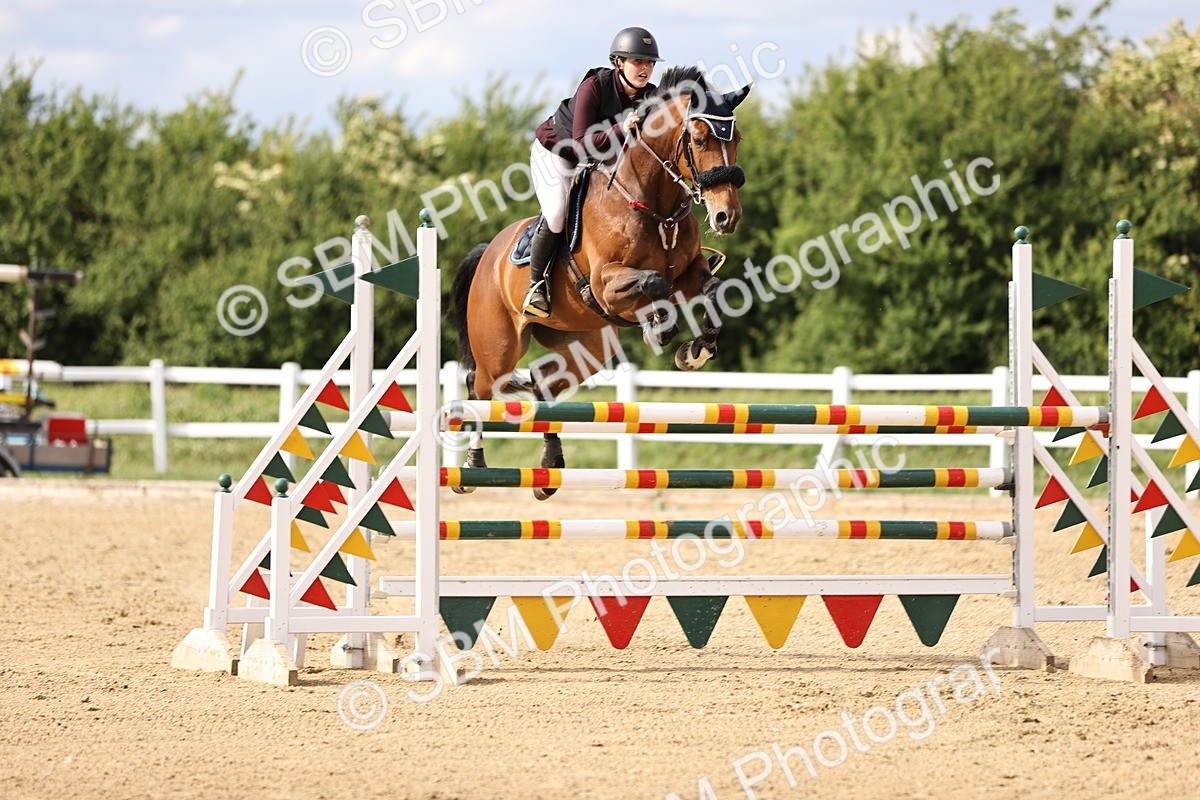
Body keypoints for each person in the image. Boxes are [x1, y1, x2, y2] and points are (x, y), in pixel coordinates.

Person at [522, 26, 662, 318]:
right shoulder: (594, 86)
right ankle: (536, 286)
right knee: (558, 213)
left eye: (649, 63)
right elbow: (581, 143)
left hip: (599, 159)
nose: (645, 68)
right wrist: (622, 127)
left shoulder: (651, 95)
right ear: (619, 63)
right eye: (638, 61)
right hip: (558, 152)